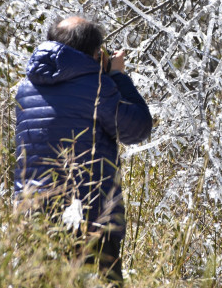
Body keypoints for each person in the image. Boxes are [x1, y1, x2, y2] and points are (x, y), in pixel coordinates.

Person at [14, 16, 152, 285]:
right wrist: (118, 76)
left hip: (35, 217)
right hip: (90, 217)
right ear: (94, 53)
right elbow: (137, 127)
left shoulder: (25, 88)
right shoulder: (97, 87)